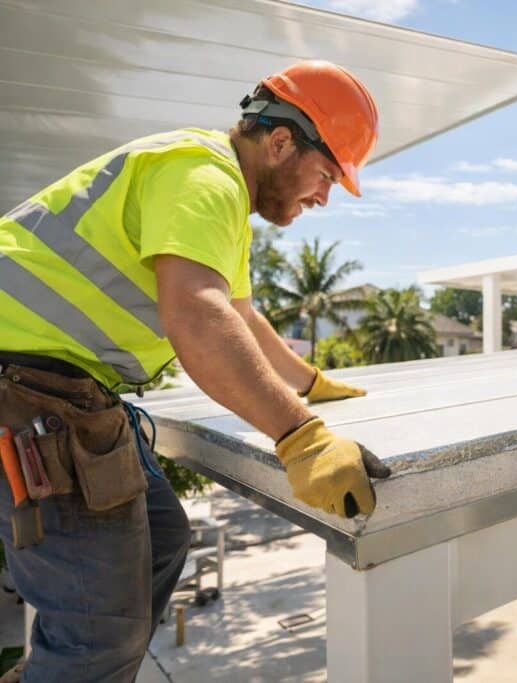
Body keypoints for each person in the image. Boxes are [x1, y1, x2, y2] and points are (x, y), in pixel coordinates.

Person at [0, 60, 390, 682]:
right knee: (100, 629)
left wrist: (310, 383)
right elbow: (196, 315)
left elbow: (240, 316)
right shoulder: (201, 174)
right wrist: (302, 437)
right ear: (282, 142)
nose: (323, 196)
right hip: (21, 381)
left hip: (58, 384)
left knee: (163, 539)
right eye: (326, 174)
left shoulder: (222, 201)